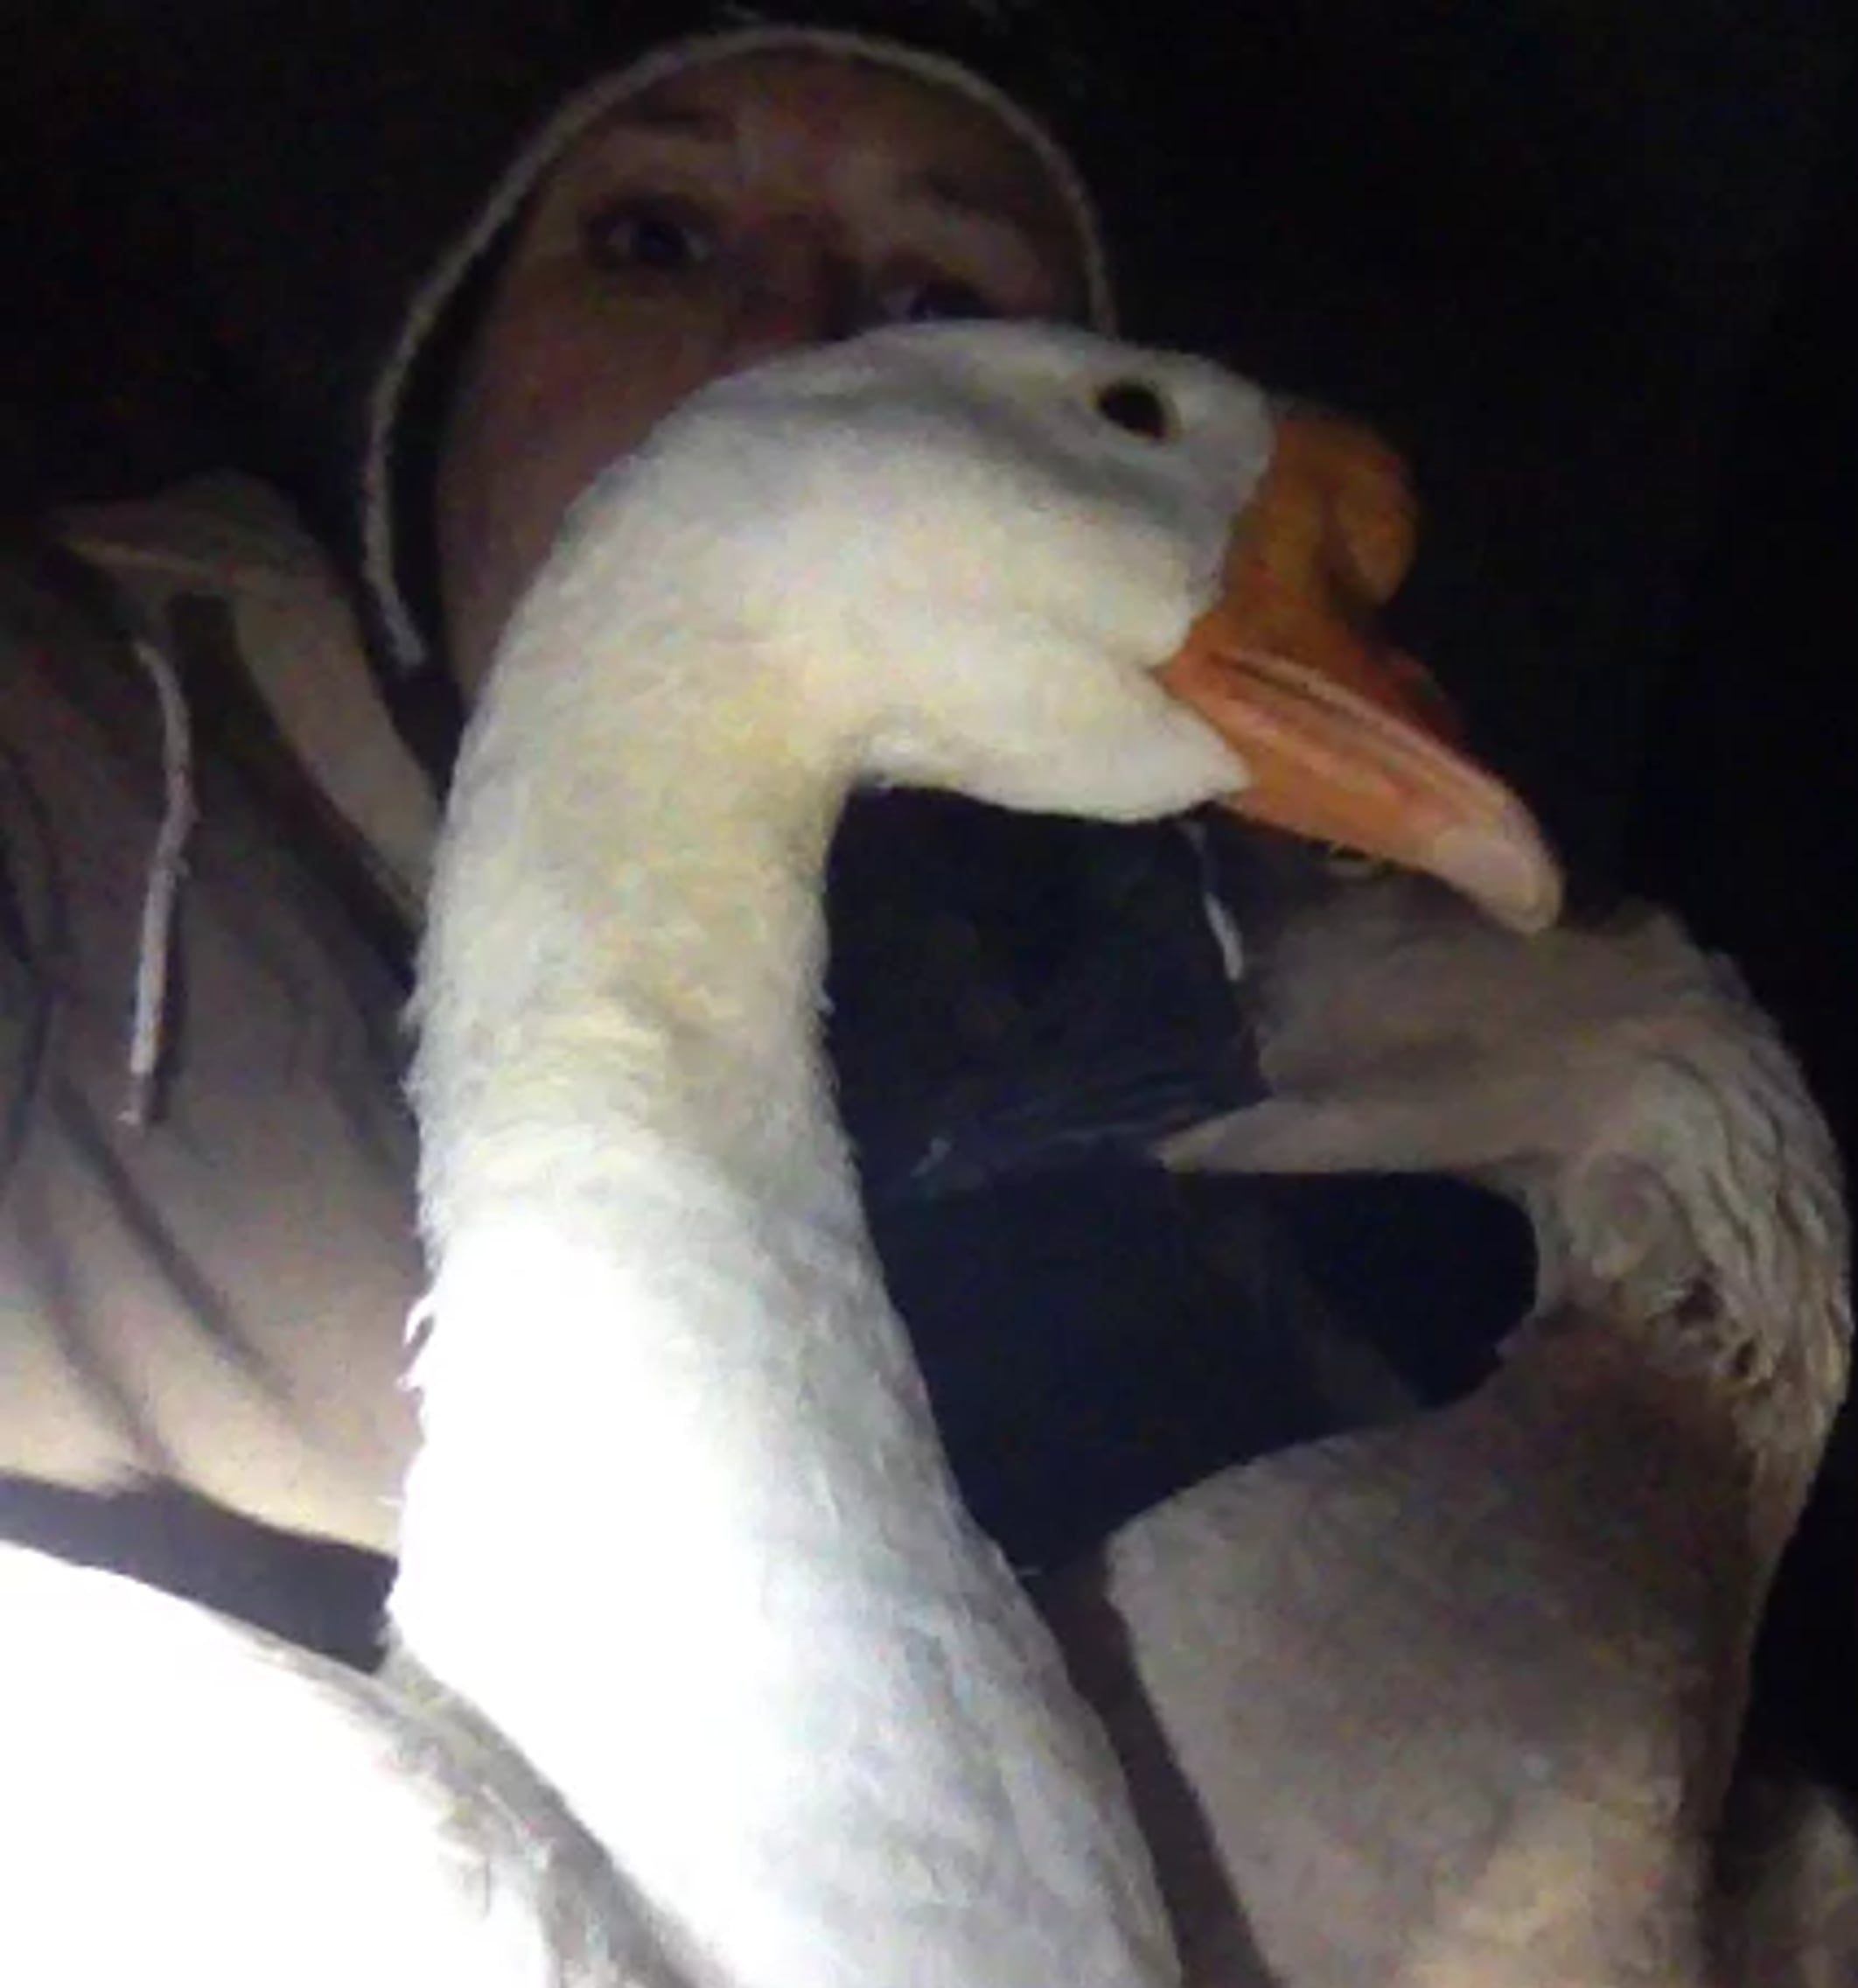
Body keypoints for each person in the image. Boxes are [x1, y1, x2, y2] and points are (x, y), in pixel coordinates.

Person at [0, 0, 1524, 1660]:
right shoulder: (59, 737)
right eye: (653, 242)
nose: (778, 354)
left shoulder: (1099, 1122)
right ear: (436, 371)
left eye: (936, 310)